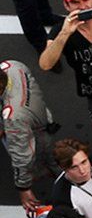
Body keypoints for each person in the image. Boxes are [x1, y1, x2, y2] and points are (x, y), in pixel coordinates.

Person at [3, 58, 54, 210]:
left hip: (33, 131)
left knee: (44, 158)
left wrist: (23, 188)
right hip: (40, 114)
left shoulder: (13, 118)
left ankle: (64, 180)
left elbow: (22, 156)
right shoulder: (11, 65)